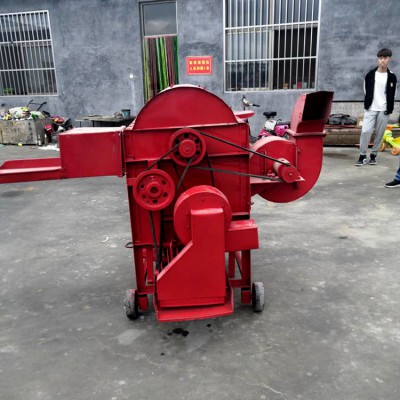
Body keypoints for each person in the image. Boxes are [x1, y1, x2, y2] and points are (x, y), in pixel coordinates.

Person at [355, 48, 397, 166]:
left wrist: (389, 108)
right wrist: (368, 103)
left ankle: (374, 155)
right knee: (365, 131)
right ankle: (362, 155)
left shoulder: (392, 76)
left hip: (384, 110)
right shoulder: (370, 74)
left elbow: (393, 94)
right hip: (371, 108)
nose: (382, 60)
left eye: (385, 58)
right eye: (380, 58)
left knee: (380, 133)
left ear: (389, 59)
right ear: (378, 59)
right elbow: (365, 90)